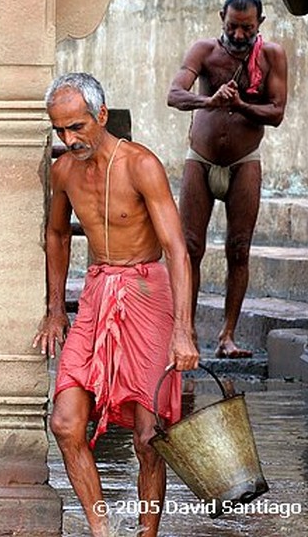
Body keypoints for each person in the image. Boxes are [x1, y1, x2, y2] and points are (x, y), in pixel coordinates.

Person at [34, 73, 199, 537]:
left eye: (77, 127)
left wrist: (183, 330)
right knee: (66, 424)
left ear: (101, 116)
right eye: (60, 131)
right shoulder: (64, 170)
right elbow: (57, 232)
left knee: (149, 438)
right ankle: (101, 530)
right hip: (97, 293)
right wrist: (54, 308)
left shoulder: (140, 164)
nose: (69, 139)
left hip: (149, 294)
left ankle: (146, 534)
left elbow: (177, 248)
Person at [167, 0, 288, 358]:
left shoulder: (271, 56)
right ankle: (184, 331)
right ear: (222, 17)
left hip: (244, 161)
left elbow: (277, 112)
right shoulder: (204, 51)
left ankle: (227, 335)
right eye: (233, 26)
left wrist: (240, 105)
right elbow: (174, 94)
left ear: (259, 24)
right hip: (200, 159)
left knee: (239, 249)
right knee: (190, 247)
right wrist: (210, 100)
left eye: (247, 28)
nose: (238, 35)